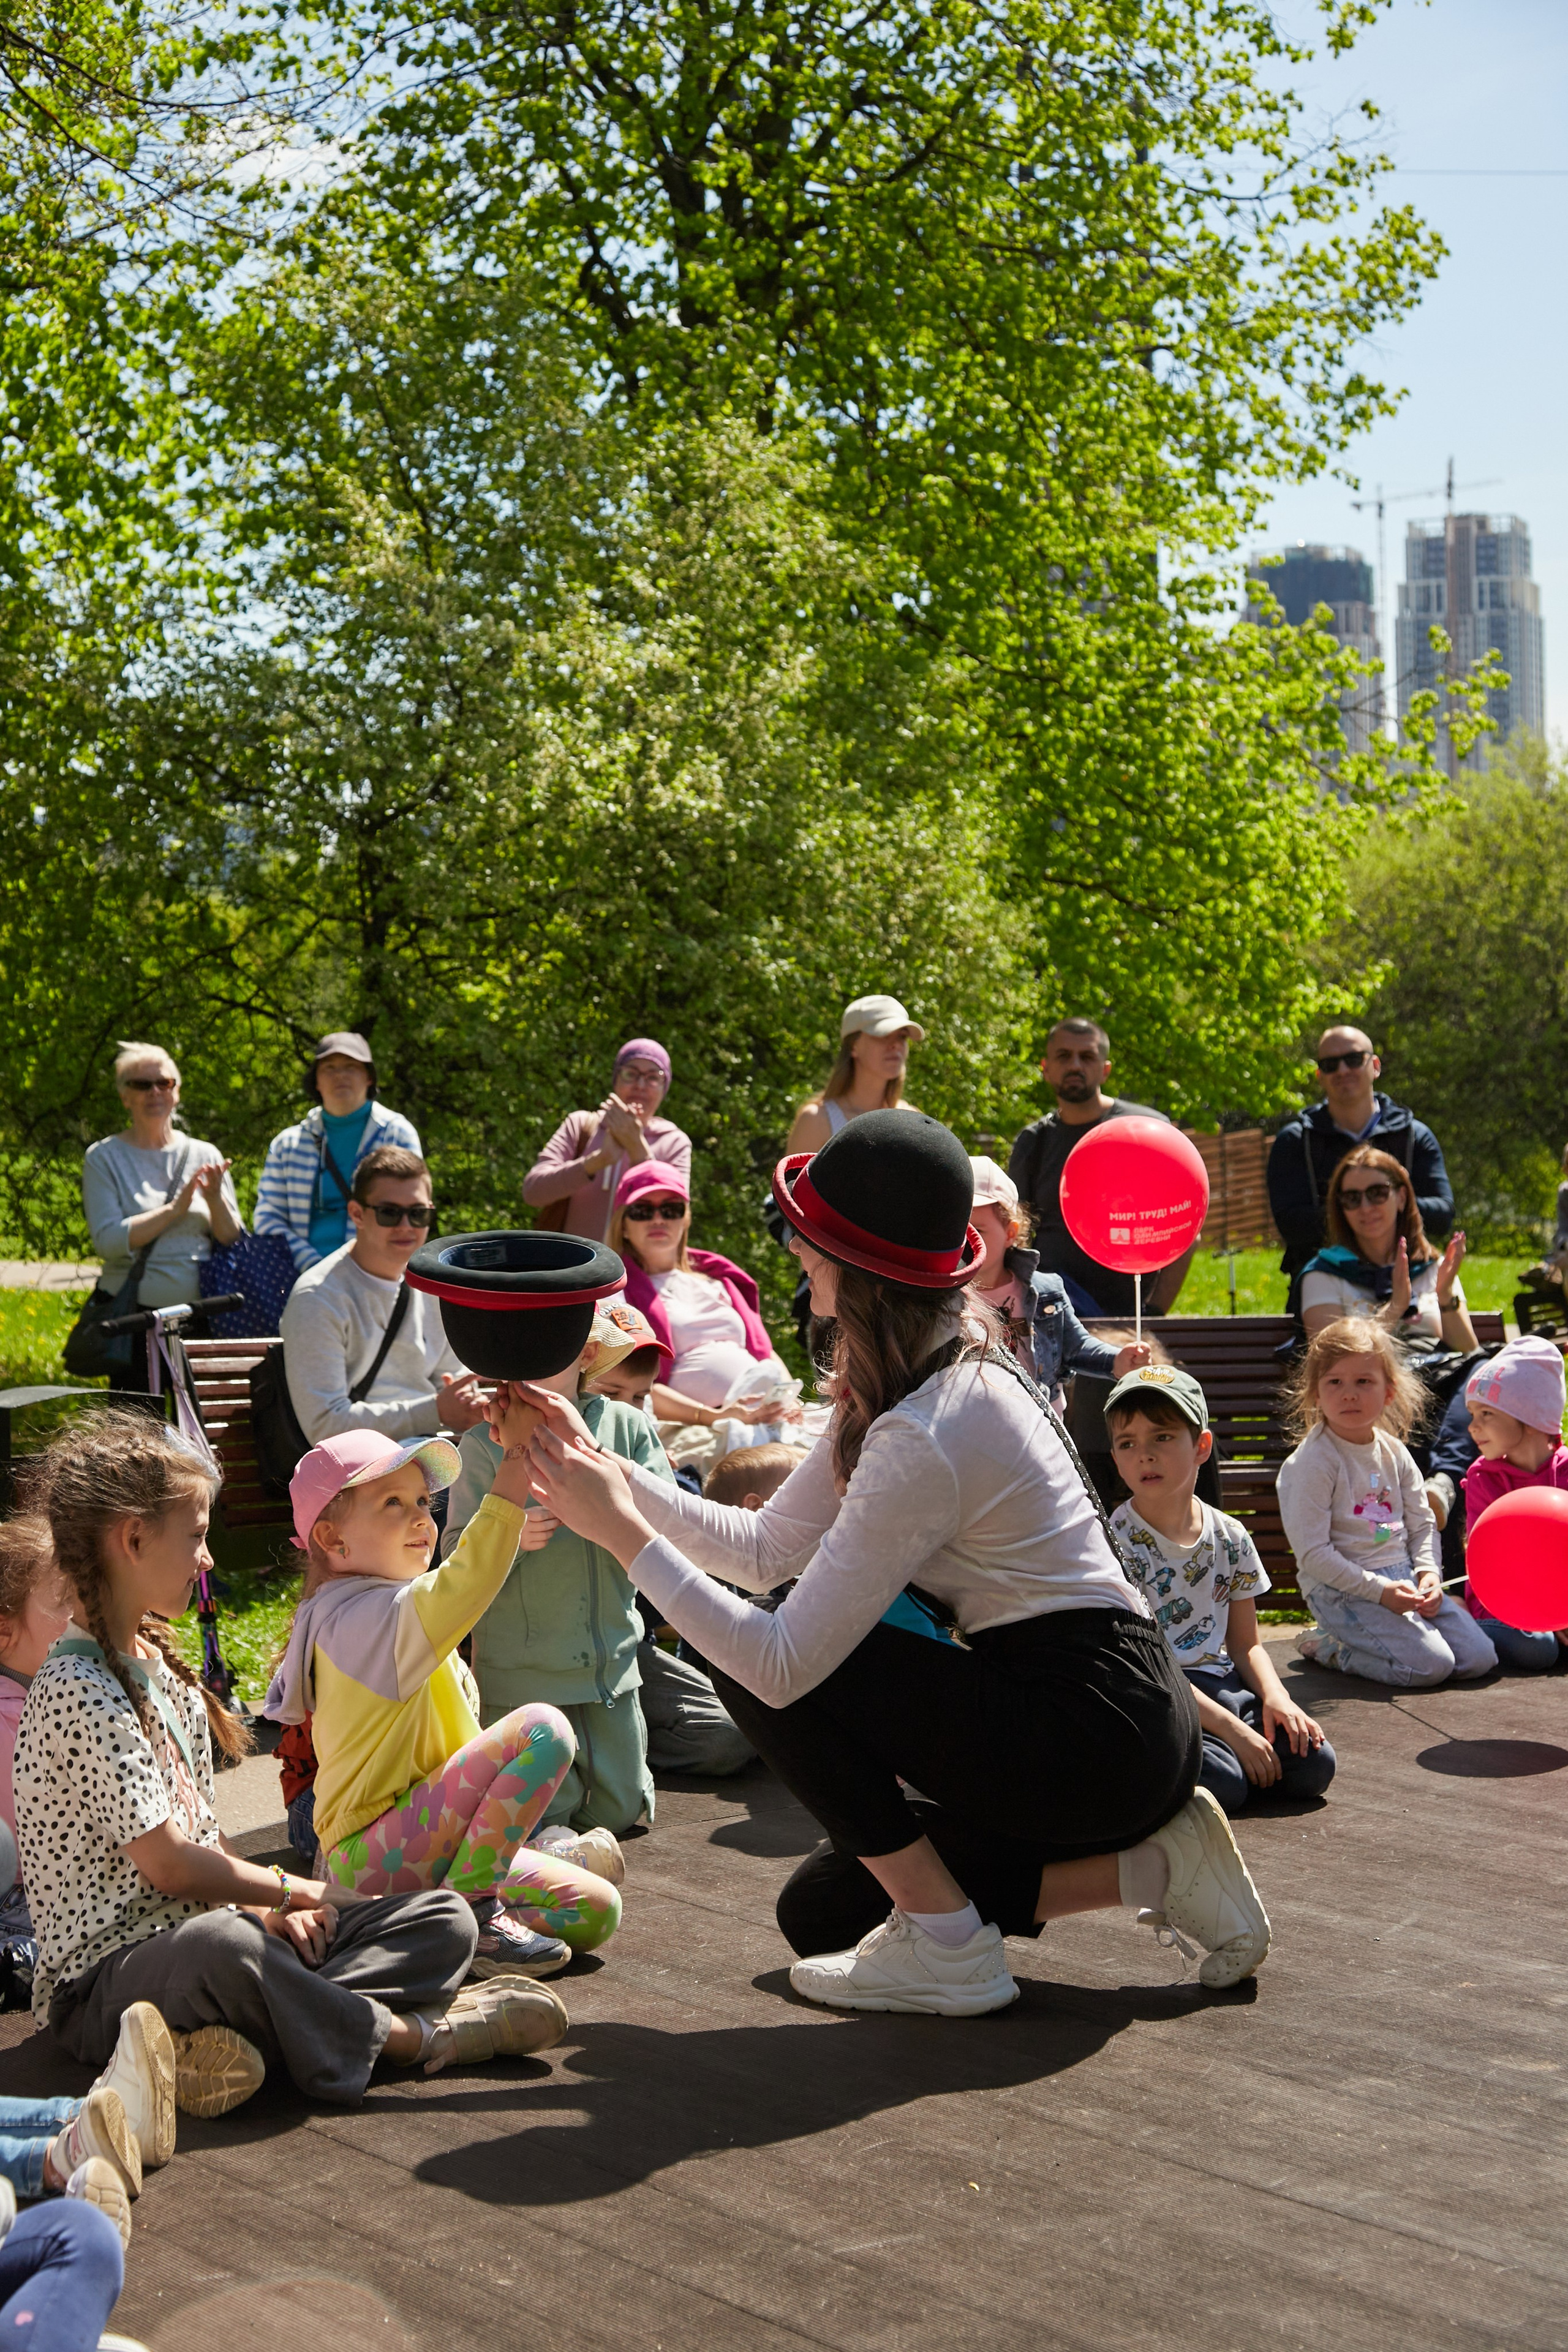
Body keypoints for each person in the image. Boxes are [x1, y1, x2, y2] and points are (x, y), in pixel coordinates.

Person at [516, 1109, 1272, 2016]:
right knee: (825, 1909)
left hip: (1091, 1735)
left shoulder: (929, 1429)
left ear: (859, 1267)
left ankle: (953, 1949)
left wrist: (620, 1532)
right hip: (1105, 1713)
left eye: (810, 1237)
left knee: (762, 1664)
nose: (794, 1249)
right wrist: (605, 1472)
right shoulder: (917, 1372)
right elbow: (762, 1551)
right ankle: (1153, 1865)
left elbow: (780, 1662)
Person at [20, 1408, 562, 2106]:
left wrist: (278, 1910)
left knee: (442, 1920)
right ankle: (415, 2037)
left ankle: (234, 2042)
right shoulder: (76, 1689)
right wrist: (290, 1892)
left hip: (209, 1944)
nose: (209, 1559)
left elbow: (203, 1838)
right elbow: (167, 1863)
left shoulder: (167, 1672)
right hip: (105, 1985)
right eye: (196, 1538)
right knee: (229, 1949)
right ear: (131, 1539)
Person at [266, 1425, 624, 1974]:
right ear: (334, 1540)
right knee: (542, 1730)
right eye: (392, 1502)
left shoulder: (392, 1609)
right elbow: (468, 1579)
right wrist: (515, 1462)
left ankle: (408, 1923)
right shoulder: (358, 1620)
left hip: (426, 1851)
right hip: (369, 1856)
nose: (421, 1519)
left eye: (423, 1502)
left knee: (596, 1910)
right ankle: (470, 1918)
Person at [440, 1305, 674, 1834]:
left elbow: (667, 1519)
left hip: (611, 1666)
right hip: (522, 1678)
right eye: (511, 1361)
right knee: (544, 1811)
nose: (524, 1372)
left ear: (586, 1354)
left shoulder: (627, 1427)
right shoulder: (480, 1445)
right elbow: (453, 1556)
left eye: (542, 1355)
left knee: (623, 1808)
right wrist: (509, 1535)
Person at [1105, 1366, 1335, 1817]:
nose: (1144, 1456)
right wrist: (1234, 1732)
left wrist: (1277, 1699)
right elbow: (1147, 1666)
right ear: (1114, 1457)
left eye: (1162, 1437)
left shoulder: (1230, 1535)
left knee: (1315, 1764)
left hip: (1224, 1687)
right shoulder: (1115, 1544)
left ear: (1201, 1447)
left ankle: (1240, 1764)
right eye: (1127, 1444)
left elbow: (1247, 1644)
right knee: (1225, 1785)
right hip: (1162, 1695)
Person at [1279, 1321, 1497, 1689]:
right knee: (1432, 1666)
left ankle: (1393, 1637)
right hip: (1341, 1590)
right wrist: (1380, 1593)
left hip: (1402, 1580)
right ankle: (1331, 1646)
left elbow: (1422, 1522)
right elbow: (1314, 1554)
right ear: (1316, 1393)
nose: (1349, 1394)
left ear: (1389, 1392)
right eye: (1335, 1382)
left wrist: (1429, 1575)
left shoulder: (1394, 1453)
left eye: (1364, 1382)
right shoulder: (1312, 1464)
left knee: (1480, 1657)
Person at [1298, 1145, 1478, 1531]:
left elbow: (1470, 1354)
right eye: (1352, 1198)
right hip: (1375, 1395)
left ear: (1401, 1196)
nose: (1366, 1206)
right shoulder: (1323, 1274)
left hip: (1440, 1383)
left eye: (1377, 1193)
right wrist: (1394, 1309)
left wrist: (1445, 1295)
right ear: (1340, 1209)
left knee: (1485, 1370)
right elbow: (1329, 1360)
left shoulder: (1430, 1267)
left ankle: (1443, 1485)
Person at [279, 1145, 489, 1446]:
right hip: (359, 1467)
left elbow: (451, 1379)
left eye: (418, 1214)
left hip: (433, 1448)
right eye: (390, 1213)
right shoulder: (317, 1297)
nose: (406, 1226)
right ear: (357, 1214)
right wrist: (434, 1411)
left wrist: (466, 1402)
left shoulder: (434, 1285)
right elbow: (324, 1427)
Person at [81, 1044, 244, 1387]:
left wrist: (214, 1198)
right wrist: (174, 1211)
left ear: (177, 1091)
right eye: (142, 1085)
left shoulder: (205, 1153)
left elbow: (232, 1238)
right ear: (125, 1096)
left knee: (198, 1432)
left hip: (202, 1319)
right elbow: (109, 1242)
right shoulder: (103, 1157)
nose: (154, 1091)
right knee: (137, 1431)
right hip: (133, 1321)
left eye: (164, 1083)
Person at [1007, 1019, 1189, 1319]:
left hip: (1129, 1318)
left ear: (1105, 1069)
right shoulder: (1033, 1142)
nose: (1075, 1065)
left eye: (1087, 1057)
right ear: (1046, 1068)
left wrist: (1154, 1314)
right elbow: (1014, 1234)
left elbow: (1184, 1227)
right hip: (1052, 1317)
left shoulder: (1146, 1131)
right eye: (1064, 1056)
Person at [609, 1163, 801, 1436]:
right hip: (694, 1427)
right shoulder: (617, 1294)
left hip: (764, 1415)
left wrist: (788, 1397)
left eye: (671, 1209)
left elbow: (765, 1353)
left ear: (685, 1219)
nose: (658, 1219)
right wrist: (716, 1417)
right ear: (623, 1225)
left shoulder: (718, 1279)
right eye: (642, 1211)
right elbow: (635, 1387)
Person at [1267, 1026, 1453, 1295]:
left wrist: (1366, 1210)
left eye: (1353, 1059)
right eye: (1330, 1065)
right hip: (1322, 1290)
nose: (1343, 1070)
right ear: (1320, 1076)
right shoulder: (1295, 1141)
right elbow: (1292, 1225)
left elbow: (1443, 1214)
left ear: (1375, 1065)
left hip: (1411, 1282)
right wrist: (1385, 1209)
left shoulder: (1414, 1135)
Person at [968, 1156, 1150, 1404]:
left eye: (978, 1230)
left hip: (1042, 1428)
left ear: (1010, 1233)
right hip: (976, 1425)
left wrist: (1117, 1360)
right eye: (959, 1230)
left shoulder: (1045, 1292)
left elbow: (1076, 1347)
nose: (969, 1241)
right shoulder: (945, 1298)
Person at [254, 1032, 422, 1274]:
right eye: (329, 1068)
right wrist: (314, 1267)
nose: (340, 1075)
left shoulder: (397, 1135)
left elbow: (411, 1211)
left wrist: (355, 1269)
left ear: (368, 1078)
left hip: (379, 1276)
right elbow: (268, 1218)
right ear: (316, 1082)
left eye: (351, 1067)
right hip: (299, 1278)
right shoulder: (286, 1144)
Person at [1461, 1340, 1568, 1672]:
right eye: (1473, 1415)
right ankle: (1458, 1629)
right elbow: (1491, 1562)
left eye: (1487, 1413)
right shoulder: (1483, 1479)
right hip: (1504, 1612)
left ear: (1531, 1415)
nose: (1473, 1427)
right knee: (1538, 1648)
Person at [523, 1039, 691, 1242]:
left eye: (653, 1078)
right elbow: (533, 1192)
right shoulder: (581, 1126)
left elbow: (677, 1219)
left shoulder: (674, 1143)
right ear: (616, 1080)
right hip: (573, 1270)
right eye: (631, 1074)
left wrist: (637, 1149)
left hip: (636, 1273)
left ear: (664, 1088)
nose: (640, 1086)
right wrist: (598, 1161)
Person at [786, 995, 923, 1155]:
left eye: (902, 1036)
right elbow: (791, 1181)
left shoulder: (913, 1120)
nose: (896, 1045)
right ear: (853, 1046)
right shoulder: (817, 1121)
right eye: (883, 1034)